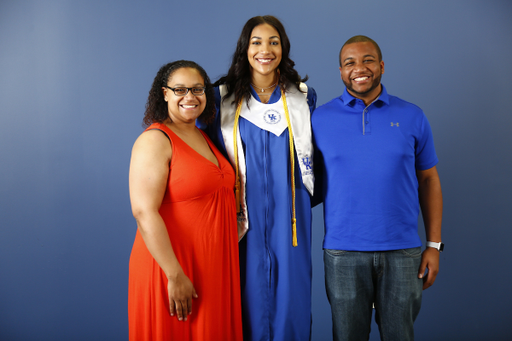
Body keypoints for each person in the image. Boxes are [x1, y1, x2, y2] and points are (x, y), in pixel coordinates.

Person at [312, 35, 443, 341]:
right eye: (350, 62)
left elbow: (429, 180)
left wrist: (434, 246)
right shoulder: (319, 119)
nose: (360, 68)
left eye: (368, 60)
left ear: (381, 65)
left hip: (403, 251)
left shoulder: (412, 115)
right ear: (341, 72)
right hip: (343, 252)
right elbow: (303, 181)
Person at [199, 15, 317, 341]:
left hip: (291, 218)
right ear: (245, 48)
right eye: (257, 42)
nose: (265, 49)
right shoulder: (220, 99)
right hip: (240, 219)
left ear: (283, 48)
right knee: (244, 296)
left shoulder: (304, 98)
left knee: (292, 297)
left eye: (273, 42)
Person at [128, 60, 243, 341]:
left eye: (197, 89)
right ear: (164, 93)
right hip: (173, 267)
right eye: (180, 89)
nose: (189, 97)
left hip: (212, 268)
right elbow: (143, 211)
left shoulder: (204, 136)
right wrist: (174, 274)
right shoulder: (155, 139)